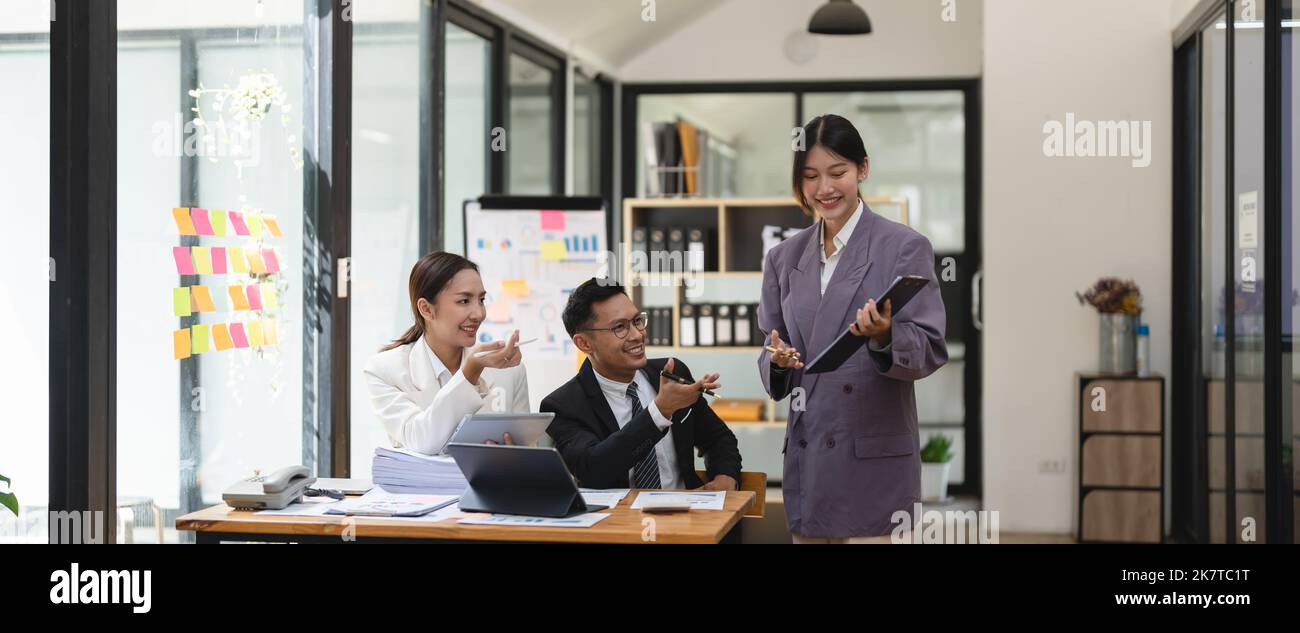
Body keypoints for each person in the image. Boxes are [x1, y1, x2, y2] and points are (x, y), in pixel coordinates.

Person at [758, 114, 948, 543]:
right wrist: (779, 360)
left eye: (837, 172)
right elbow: (769, 344)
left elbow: (930, 346)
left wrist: (884, 335)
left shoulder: (903, 247)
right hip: (809, 463)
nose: (824, 188)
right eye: (810, 176)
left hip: (872, 465)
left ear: (863, 169)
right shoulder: (783, 258)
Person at [542, 278, 741, 490]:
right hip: (618, 520)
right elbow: (594, 470)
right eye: (620, 327)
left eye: (637, 321)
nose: (638, 335)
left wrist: (725, 478)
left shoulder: (671, 374)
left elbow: (718, 439)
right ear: (584, 343)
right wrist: (660, 411)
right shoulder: (562, 406)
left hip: (687, 515)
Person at [364, 251, 528, 455]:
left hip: (490, 486)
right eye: (464, 301)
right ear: (426, 309)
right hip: (420, 487)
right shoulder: (384, 370)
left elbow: (527, 452)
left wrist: (516, 457)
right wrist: (470, 372)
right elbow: (422, 441)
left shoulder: (510, 371)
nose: (479, 313)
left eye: (481, 300)